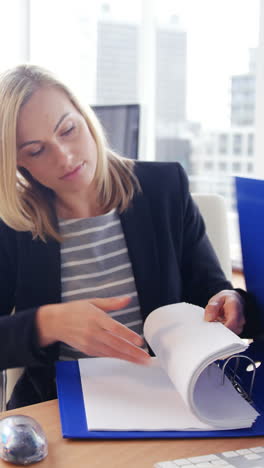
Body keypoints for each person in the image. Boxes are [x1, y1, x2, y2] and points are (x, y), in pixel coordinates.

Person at [0, 64, 257, 409]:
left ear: (85, 118)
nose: (65, 156)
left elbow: (209, 291)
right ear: (17, 162)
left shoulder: (164, 188)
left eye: (68, 130)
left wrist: (230, 301)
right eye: (35, 150)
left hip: (171, 397)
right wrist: (48, 323)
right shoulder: (13, 223)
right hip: (60, 405)